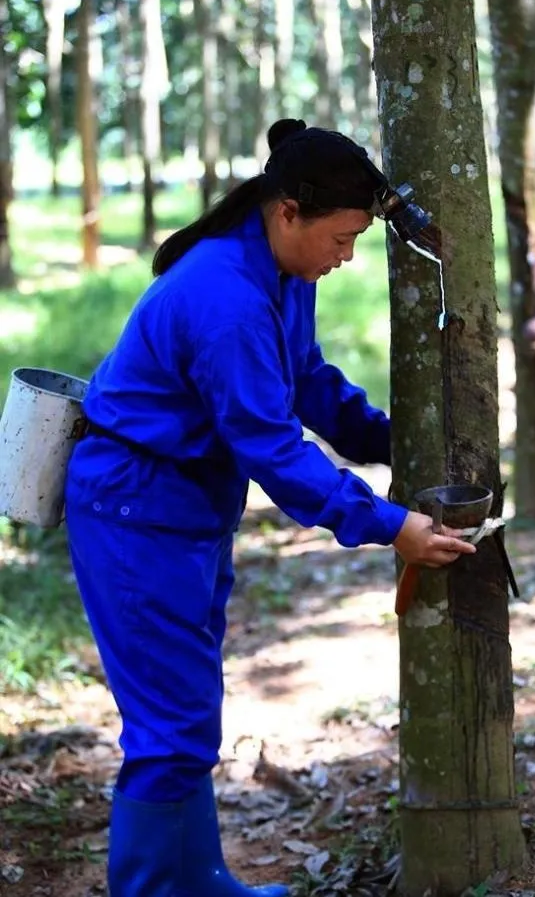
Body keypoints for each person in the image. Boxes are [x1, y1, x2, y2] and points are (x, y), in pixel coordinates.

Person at [64, 118, 476, 897]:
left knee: (188, 711)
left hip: (184, 511)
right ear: (289, 210)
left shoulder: (281, 276)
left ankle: (200, 877)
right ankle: (154, 888)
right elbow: (271, 448)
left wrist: (390, 440)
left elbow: (307, 380)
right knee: (168, 728)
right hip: (132, 512)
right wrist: (391, 527)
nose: (346, 255)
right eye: (343, 237)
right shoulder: (223, 297)